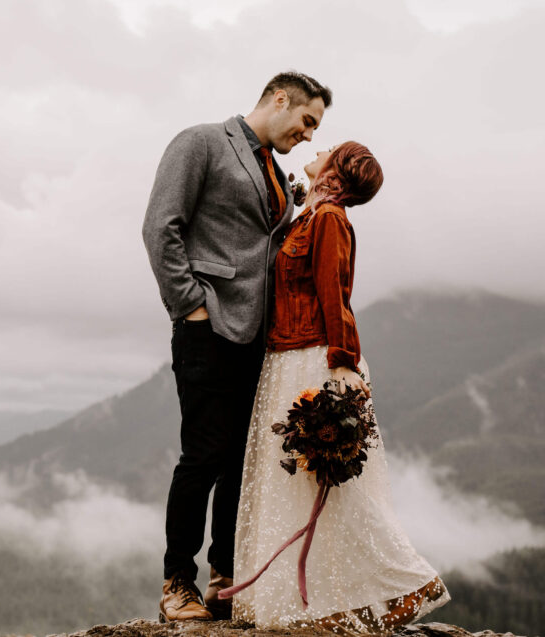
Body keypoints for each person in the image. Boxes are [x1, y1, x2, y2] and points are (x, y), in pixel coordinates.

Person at [230, 143, 450, 631]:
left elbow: (335, 290)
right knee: (297, 487)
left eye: (330, 147)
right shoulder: (309, 216)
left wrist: (342, 362)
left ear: (338, 170)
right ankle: (323, 602)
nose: (319, 146)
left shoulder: (329, 218)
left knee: (329, 486)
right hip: (285, 357)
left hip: (313, 357)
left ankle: (412, 581)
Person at [142, 71, 332, 622]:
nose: (309, 135)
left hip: (259, 338)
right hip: (208, 327)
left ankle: (225, 582)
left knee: (240, 462)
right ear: (279, 99)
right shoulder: (200, 141)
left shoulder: (274, 169)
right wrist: (190, 306)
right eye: (307, 120)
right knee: (203, 454)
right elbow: (161, 227)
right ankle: (178, 583)